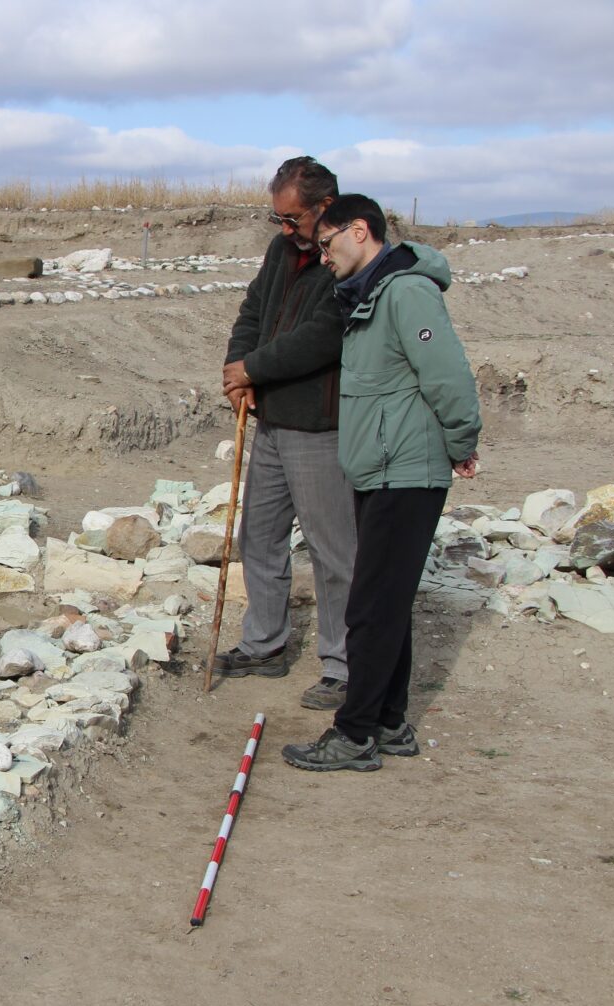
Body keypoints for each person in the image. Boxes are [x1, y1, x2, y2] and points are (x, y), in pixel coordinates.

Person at [282, 194, 481, 772]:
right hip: (383, 467)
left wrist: (462, 441)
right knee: (386, 601)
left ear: (360, 231)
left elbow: (446, 374)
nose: (322, 257)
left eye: (327, 243)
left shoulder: (406, 292)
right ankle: (390, 722)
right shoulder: (374, 293)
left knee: (370, 605)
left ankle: (356, 733)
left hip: (406, 470)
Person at [218, 156, 358, 711]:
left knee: (333, 551)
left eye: (293, 218)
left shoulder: (347, 257)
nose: (284, 229)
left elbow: (325, 335)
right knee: (260, 537)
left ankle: (345, 664)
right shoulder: (283, 250)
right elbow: (253, 311)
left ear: (325, 208)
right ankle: (265, 644)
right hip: (271, 419)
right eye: (278, 218)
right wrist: (237, 370)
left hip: (320, 425)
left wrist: (257, 369)